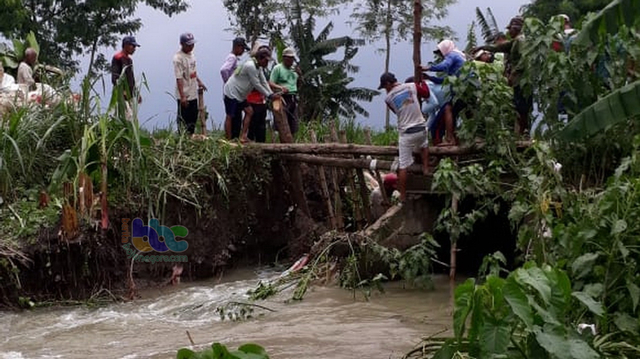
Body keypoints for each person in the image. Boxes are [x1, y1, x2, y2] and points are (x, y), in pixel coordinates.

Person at [474, 16, 532, 136]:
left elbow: (524, 59)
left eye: (510, 29)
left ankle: (523, 132)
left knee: (522, 108)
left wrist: (514, 73)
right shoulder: (515, 41)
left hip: (522, 79)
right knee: (519, 106)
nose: (508, 31)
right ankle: (522, 132)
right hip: (519, 80)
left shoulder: (521, 41)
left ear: (515, 28)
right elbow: (498, 47)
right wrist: (482, 47)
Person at [378, 72, 430, 204]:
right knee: (424, 145)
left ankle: (402, 196)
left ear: (389, 84)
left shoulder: (388, 99)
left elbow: (397, 112)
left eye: (385, 87)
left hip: (406, 132)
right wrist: (422, 82)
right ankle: (425, 168)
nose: (386, 90)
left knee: (403, 165)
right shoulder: (412, 86)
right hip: (420, 127)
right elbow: (426, 94)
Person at [223, 48, 281, 143]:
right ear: (260, 58)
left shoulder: (259, 67)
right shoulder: (251, 66)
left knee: (249, 112)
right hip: (232, 92)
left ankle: (243, 136)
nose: (267, 63)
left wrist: (271, 93)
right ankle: (228, 140)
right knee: (230, 116)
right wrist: (269, 96)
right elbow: (256, 84)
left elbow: (263, 82)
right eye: (266, 61)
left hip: (241, 95)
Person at [420, 40, 466, 146]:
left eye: (440, 52)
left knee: (447, 109)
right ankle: (454, 140)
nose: (441, 55)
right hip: (463, 90)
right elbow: (446, 80)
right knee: (453, 115)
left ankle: (449, 138)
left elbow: (444, 66)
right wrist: (430, 78)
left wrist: (429, 68)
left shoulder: (452, 55)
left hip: (461, 90)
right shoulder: (459, 57)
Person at [173, 32, 207, 135]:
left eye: (192, 44)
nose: (191, 47)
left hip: (193, 92)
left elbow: (193, 71)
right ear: (182, 44)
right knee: (183, 119)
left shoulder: (191, 55)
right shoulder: (178, 58)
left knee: (193, 118)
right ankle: (182, 140)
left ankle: (191, 137)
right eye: (188, 45)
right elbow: (178, 78)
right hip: (185, 94)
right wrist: (182, 96)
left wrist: (199, 81)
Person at [220, 37, 250, 139]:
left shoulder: (233, 58)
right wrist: (228, 82)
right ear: (237, 47)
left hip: (235, 93)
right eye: (242, 49)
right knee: (230, 115)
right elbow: (224, 70)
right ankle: (229, 138)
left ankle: (237, 136)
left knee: (239, 114)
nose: (243, 52)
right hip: (231, 92)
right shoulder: (232, 58)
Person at [270, 47, 303, 136]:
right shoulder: (278, 68)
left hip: (293, 97)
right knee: (282, 123)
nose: (291, 60)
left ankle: (291, 143)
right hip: (283, 97)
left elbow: (298, 85)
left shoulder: (294, 70)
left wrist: (299, 75)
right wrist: (280, 88)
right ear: (284, 58)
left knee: (293, 123)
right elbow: (271, 83)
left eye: (292, 58)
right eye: (289, 58)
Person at [111, 35, 141, 120]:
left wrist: (136, 92)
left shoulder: (129, 60)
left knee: (132, 117)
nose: (134, 49)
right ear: (126, 45)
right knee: (127, 117)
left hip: (129, 95)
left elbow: (131, 78)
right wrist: (121, 90)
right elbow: (115, 77)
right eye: (133, 46)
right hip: (121, 94)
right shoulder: (118, 58)